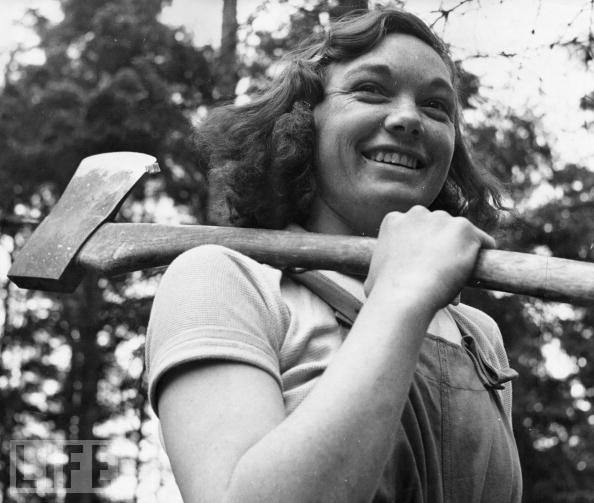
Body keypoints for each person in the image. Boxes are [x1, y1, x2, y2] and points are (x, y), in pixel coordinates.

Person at [146, 7, 522, 502]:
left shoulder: (480, 336)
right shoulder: (223, 280)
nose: (409, 118)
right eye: (370, 89)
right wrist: (401, 296)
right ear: (303, 121)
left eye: (436, 106)